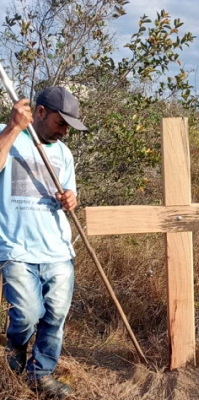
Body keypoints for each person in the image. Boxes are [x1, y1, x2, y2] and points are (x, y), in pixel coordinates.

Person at [0, 87, 88, 399]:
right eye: (60, 123)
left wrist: (70, 199)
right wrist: (13, 128)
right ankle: (15, 347)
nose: (64, 131)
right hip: (17, 248)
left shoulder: (64, 153)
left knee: (55, 318)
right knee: (25, 313)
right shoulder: (6, 134)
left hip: (58, 250)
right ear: (39, 113)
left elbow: (68, 196)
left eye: (68, 126)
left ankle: (40, 375)